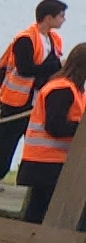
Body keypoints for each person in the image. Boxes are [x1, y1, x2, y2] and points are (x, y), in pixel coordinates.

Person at [0, 0, 70, 186]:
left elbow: (49, 67)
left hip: (38, 99)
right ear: (48, 18)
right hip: (16, 98)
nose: (64, 20)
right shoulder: (25, 39)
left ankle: (28, 180)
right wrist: (57, 66)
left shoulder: (55, 39)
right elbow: (25, 68)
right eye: (61, 16)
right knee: (6, 138)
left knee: (34, 141)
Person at [21, 52, 80, 233]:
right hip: (46, 161)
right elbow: (54, 126)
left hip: (58, 161)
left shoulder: (75, 90)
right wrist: (81, 128)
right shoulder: (61, 89)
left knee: (42, 207)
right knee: (41, 209)